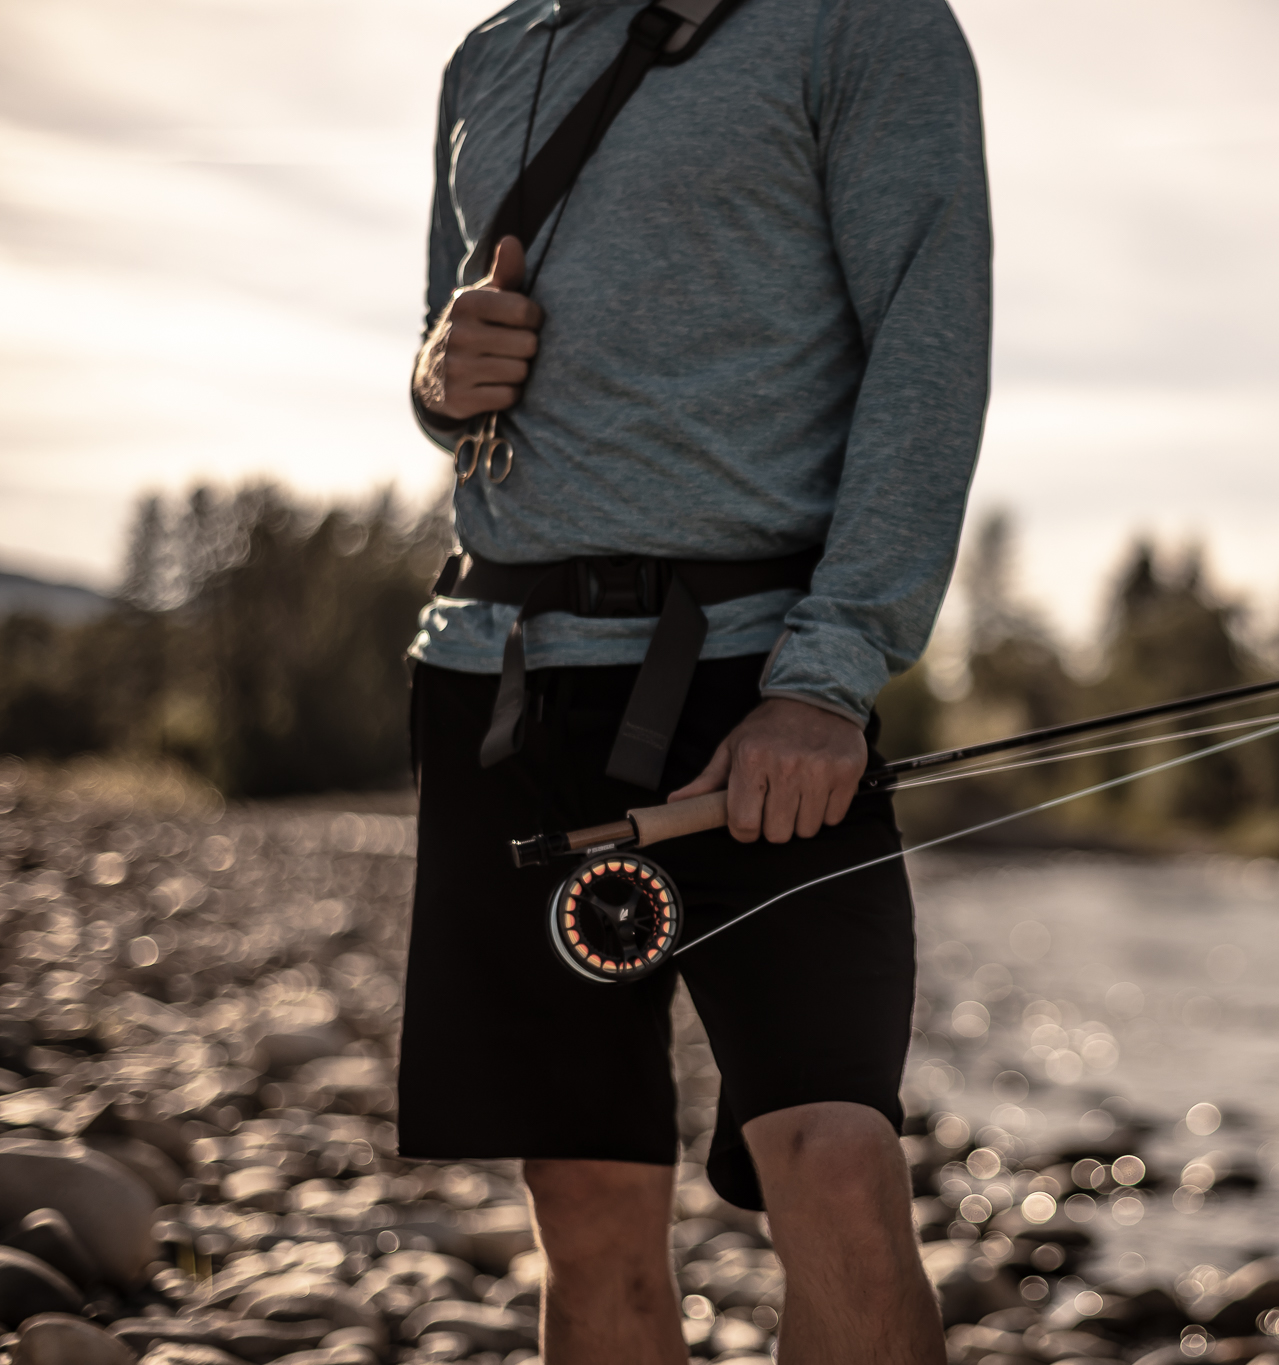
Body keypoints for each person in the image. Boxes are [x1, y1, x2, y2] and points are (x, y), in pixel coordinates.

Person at [399, 0, 990, 1360]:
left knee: (837, 1167)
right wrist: (436, 381)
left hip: (762, 688)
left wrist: (828, 675)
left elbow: (929, 348)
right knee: (585, 1196)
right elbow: (451, 362)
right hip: (501, 684)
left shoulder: (866, 24)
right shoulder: (489, 56)